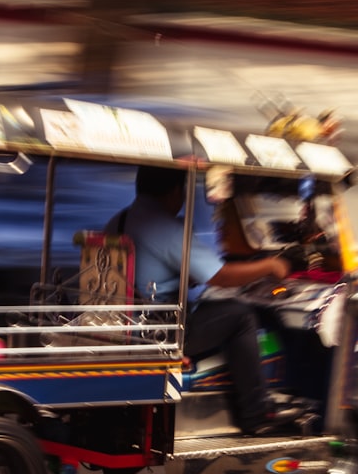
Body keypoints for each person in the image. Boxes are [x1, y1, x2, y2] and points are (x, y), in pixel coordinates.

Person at [105, 165, 297, 436]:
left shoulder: (120, 220)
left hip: (127, 325)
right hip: (159, 331)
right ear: (175, 191)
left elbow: (148, 272)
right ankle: (256, 414)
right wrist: (271, 266)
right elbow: (222, 276)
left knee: (216, 310)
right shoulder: (163, 226)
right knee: (241, 316)